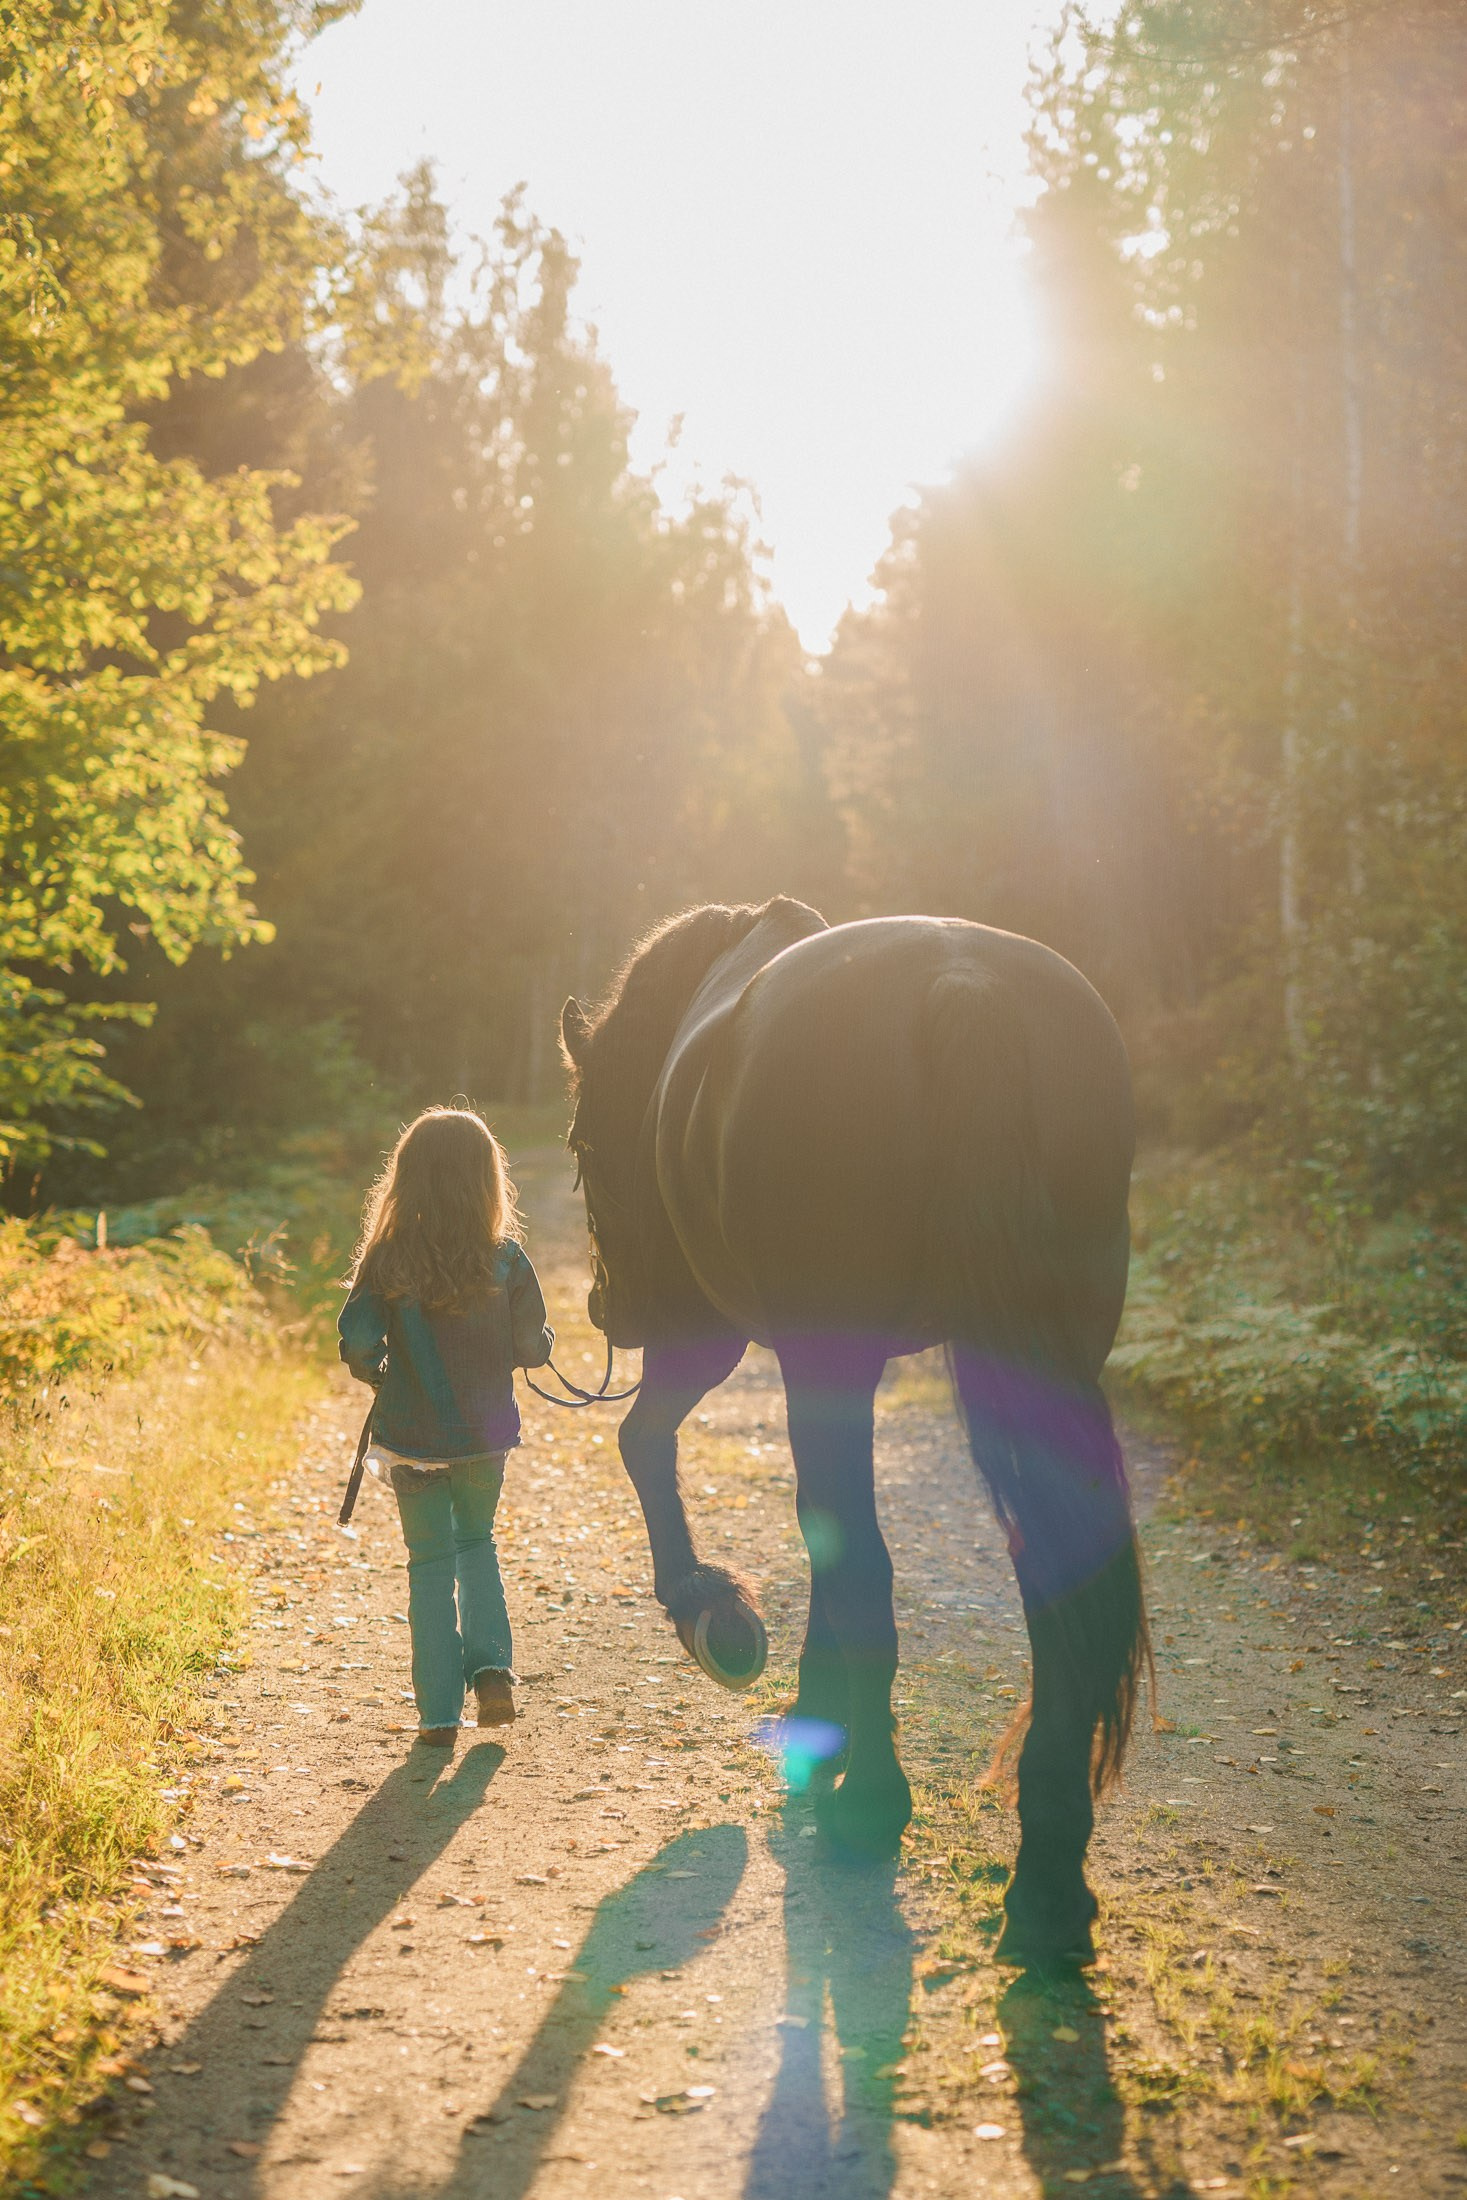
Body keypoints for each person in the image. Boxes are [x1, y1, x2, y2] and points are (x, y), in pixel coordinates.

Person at [339, 1106, 553, 1745]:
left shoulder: (387, 1258)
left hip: (411, 1437)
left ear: (408, 1179)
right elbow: (531, 1347)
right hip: (484, 1437)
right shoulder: (507, 1258)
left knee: (428, 1562)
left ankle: (437, 1714)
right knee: (476, 1544)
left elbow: (355, 1340)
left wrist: (381, 1372)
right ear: (488, 1180)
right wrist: (534, 1342)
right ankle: (492, 1673)